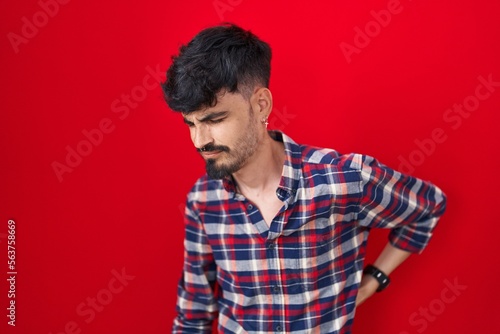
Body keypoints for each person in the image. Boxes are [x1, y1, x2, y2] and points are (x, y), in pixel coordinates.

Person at [162, 23, 447, 334]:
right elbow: (194, 314)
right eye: (190, 123)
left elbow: (428, 206)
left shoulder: (342, 179)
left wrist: (374, 280)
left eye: (214, 119)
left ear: (260, 105)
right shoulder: (203, 200)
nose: (199, 140)